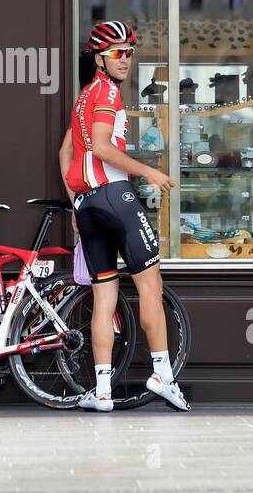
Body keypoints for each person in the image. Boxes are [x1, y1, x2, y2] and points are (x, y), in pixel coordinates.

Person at [58, 21, 189, 412]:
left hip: (89, 206)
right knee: (150, 285)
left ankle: (101, 392)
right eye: (117, 53)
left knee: (103, 298)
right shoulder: (107, 94)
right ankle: (162, 374)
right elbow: (100, 147)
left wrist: (75, 204)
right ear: (99, 58)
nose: (125, 59)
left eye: (129, 52)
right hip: (116, 198)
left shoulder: (84, 97)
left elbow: (65, 153)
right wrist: (146, 171)